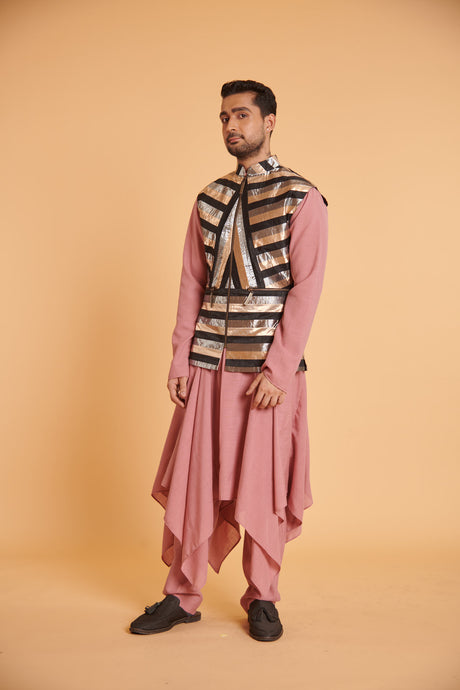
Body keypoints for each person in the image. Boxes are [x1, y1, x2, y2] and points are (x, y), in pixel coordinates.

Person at [129, 79, 328, 641]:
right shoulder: (209, 198)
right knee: (196, 479)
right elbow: (191, 283)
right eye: (224, 117)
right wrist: (180, 359)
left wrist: (280, 369)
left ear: (269, 122)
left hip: (266, 372)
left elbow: (306, 289)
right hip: (208, 364)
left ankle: (263, 597)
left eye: (241, 115)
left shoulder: (303, 197)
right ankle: (182, 594)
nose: (231, 126)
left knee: (263, 484)